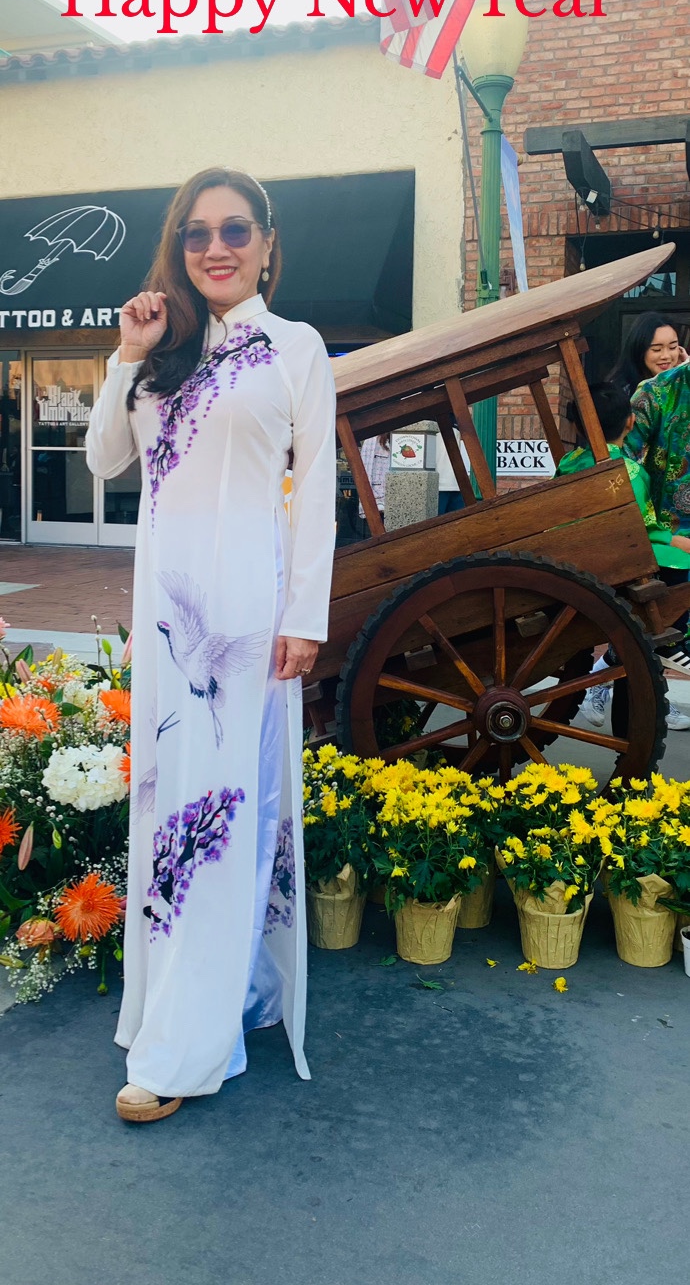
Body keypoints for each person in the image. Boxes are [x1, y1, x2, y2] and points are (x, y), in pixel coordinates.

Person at [86, 167, 336, 1122]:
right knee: (169, 802)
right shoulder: (165, 349)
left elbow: (315, 492)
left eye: (235, 230)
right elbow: (106, 458)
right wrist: (127, 353)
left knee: (223, 810)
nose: (216, 247)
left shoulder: (295, 348)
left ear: (268, 243)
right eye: (197, 234)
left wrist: (305, 616)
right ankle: (208, 995)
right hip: (166, 613)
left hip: (245, 614)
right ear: (179, 248)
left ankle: (189, 1047)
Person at [556, 382, 690, 731]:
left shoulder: (568, 463)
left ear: (579, 425)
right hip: (616, 557)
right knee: (682, 562)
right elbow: (643, 529)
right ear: (631, 422)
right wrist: (675, 540)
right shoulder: (630, 471)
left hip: (574, 554)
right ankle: (670, 635)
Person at [610, 311, 688, 397]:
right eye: (657, 349)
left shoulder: (683, 381)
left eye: (672, 347)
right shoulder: (620, 392)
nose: (666, 356)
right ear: (640, 349)